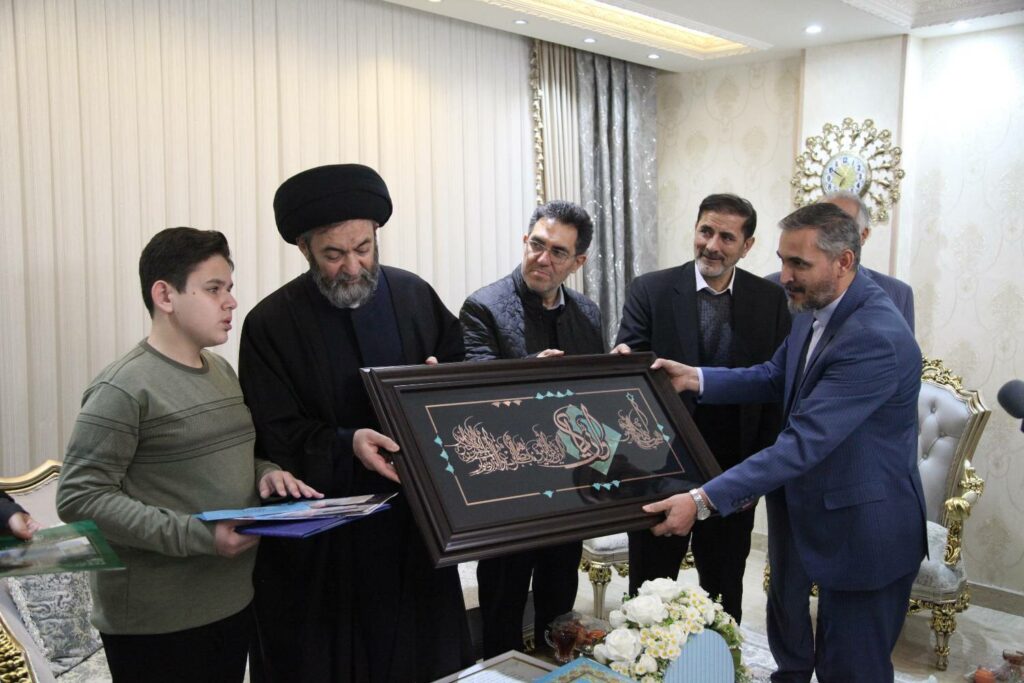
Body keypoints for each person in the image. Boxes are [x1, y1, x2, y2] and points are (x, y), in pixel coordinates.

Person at [644, 203, 927, 683]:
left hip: (864, 528)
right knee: (790, 651)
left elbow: (802, 443)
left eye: (799, 264)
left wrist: (702, 499)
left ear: (844, 261)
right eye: (782, 260)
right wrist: (695, 378)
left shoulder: (874, 336)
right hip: (805, 509)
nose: (785, 276)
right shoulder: (811, 305)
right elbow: (776, 375)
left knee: (850, 670)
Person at [238, 164, 473, 682]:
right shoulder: (269, 323)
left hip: (414, 522)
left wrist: (441, 385)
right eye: (334, 254)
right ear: (304, 248)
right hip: (327, 538)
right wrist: (348, 443)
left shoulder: (413, 295)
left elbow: (459, 374)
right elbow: (275, 431)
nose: (352, 266)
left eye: (363, 248)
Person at [56, 228, 318, 683]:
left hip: (231, 602)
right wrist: (198, 536)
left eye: (229, 288)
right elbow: (80, 498)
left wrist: (267, 473)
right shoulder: (123, 388)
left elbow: (238, 456)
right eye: (214, 289)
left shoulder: (221, 371)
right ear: (165, 296)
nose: (231, 302)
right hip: (156, 623)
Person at [612, 193, 790, 622]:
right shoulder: (650, 290)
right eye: (705, 231)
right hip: (659, 473)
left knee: (723, 598)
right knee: (648, 599)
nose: (712, 245)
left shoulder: (771, 300)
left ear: (747, 245)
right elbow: (631, 377)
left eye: (726, 237)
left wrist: (755, 478)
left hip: (732, 475)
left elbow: (775, 392)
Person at [460, 200, 604, 657]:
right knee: (502, 599)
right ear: (525, 241)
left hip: (569, 482)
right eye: (537, 245)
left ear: (578, 262)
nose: (542, 259)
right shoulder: (483, 306)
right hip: (507, 486)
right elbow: (474, 393)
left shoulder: (588, 312)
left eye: (558, 252)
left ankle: (556, 668)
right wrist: (530, 373)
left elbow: (593, 395)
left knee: (559, 598)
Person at [766, 191, 914, 331]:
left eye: (842, 227)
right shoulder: (772, 289)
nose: (785, 278)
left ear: (863, 235)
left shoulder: (896, 295)